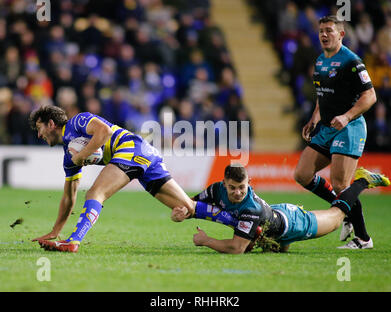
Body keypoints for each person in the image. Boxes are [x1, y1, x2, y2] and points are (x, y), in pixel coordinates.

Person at [29, 105, 196, 253]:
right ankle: (222, 210)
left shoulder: (77, 121)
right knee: (187, 208)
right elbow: (69, 196)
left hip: (131, 147)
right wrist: (55, 230)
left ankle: (73, 241)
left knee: (95, 194)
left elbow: (105, 131)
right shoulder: (69, 157)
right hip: (145, 154)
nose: (38, 135)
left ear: (51, 124)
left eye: (39, 128)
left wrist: (82, 155)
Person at [293, 15, 378, 249]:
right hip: (327, 127)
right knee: (302, 174)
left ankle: (363, 238)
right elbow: (324, 95)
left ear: (341, 34)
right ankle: (345, 209)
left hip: (349, 127)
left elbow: (370, 95)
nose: (324, 34)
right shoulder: (320, 61)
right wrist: (314, 118)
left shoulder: (352, 61)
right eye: (321, 30)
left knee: (340, 184)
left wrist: (347, 116)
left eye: (329, 30)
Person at [171, 164, 389, 254]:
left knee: (336, 214)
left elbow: (236, 248)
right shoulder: (216, 189)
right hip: (272, 220)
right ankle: (277, 242)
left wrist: (206, 241)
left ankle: (362, 181)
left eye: (242, 187)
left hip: (292, 223)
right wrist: (183, 212)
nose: (238, 192)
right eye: (233, 188)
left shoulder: (250, 208)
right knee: (276, 250)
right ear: (224, 183)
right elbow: (191, 203)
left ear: (249, 183)